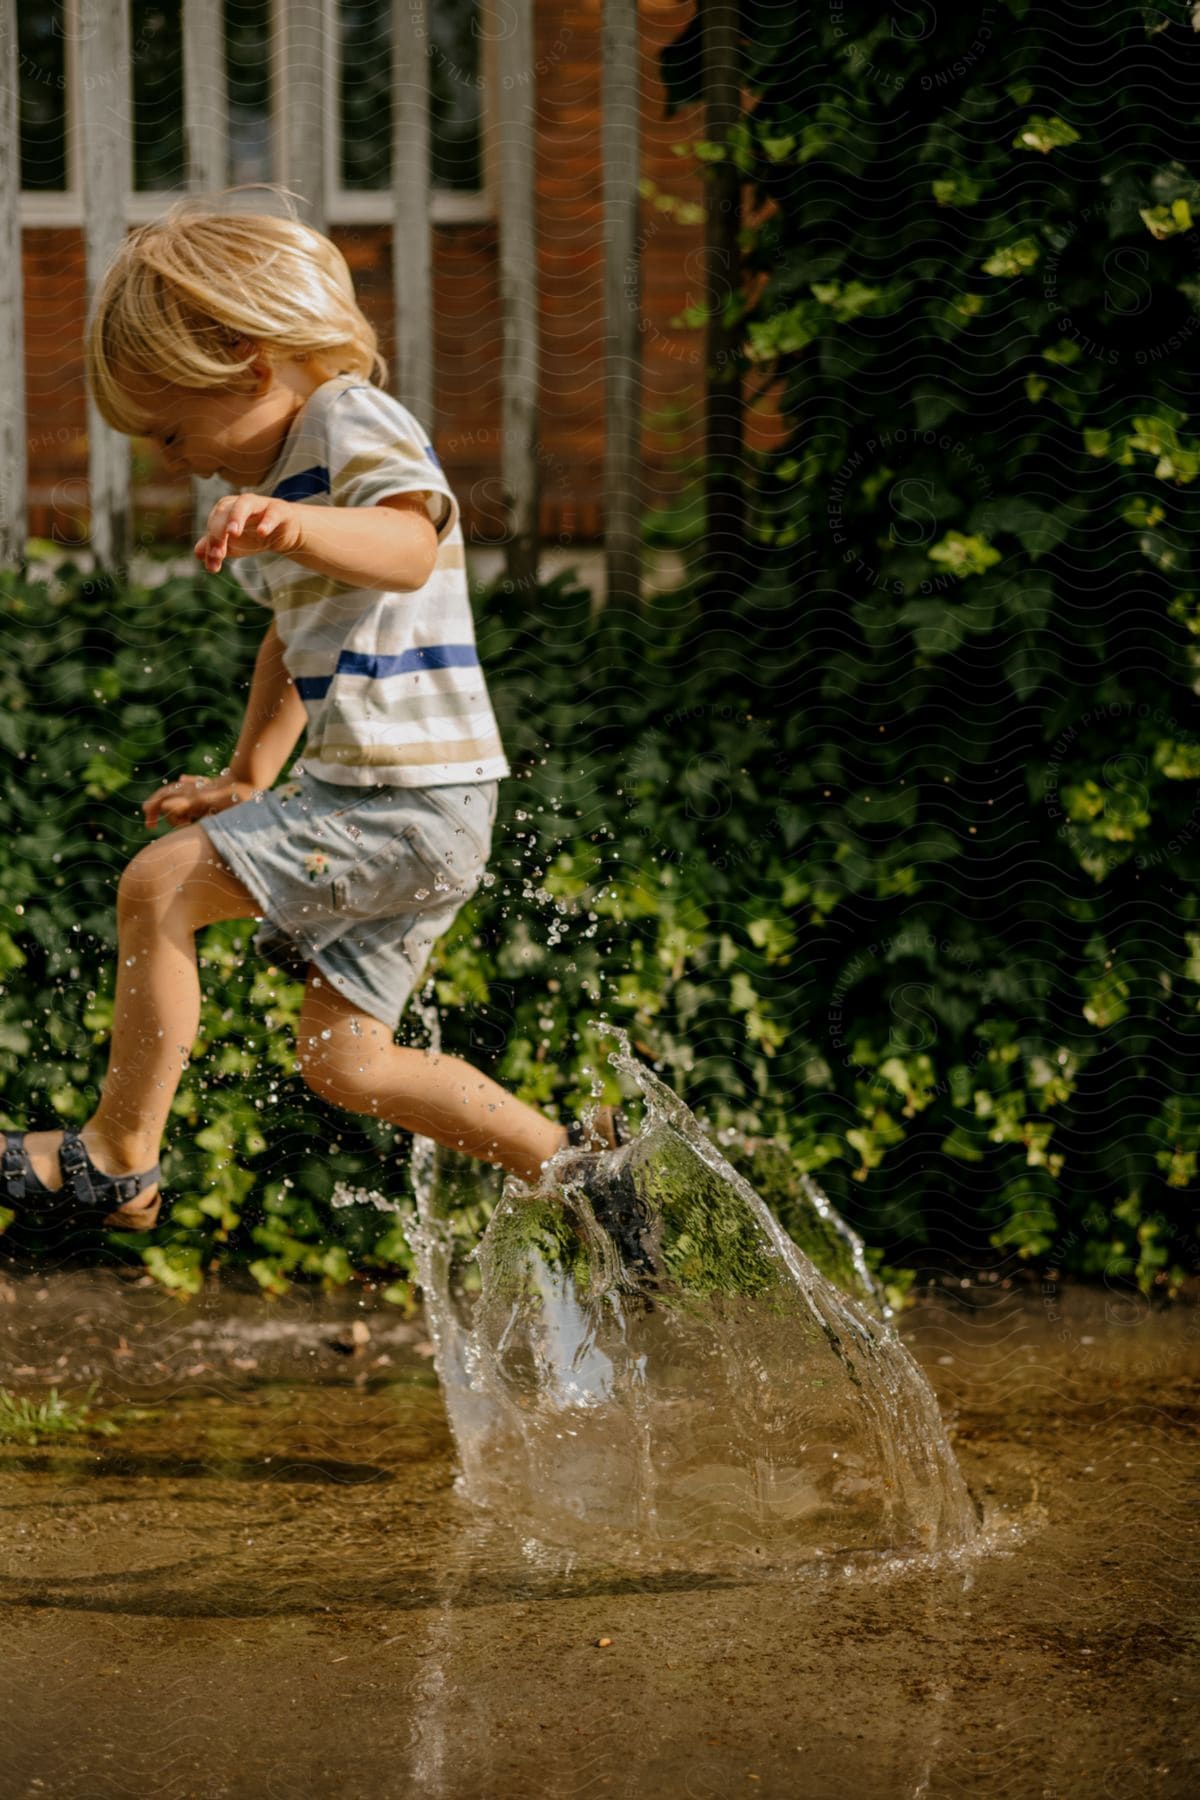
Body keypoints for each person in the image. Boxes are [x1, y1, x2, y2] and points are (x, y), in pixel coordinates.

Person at [0, 188, 622, 1233]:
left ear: (246, 362)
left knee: (159, 889)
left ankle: (118, 1161)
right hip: (414, 808)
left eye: (174, 429)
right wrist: (250, 777)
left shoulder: (348, 418)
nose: (179, 459)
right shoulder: (294, 478)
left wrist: (293, 525)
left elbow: (411, 545)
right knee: (347, 1060)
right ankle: (574, 1172)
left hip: (405, 802)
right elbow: (294, 642)